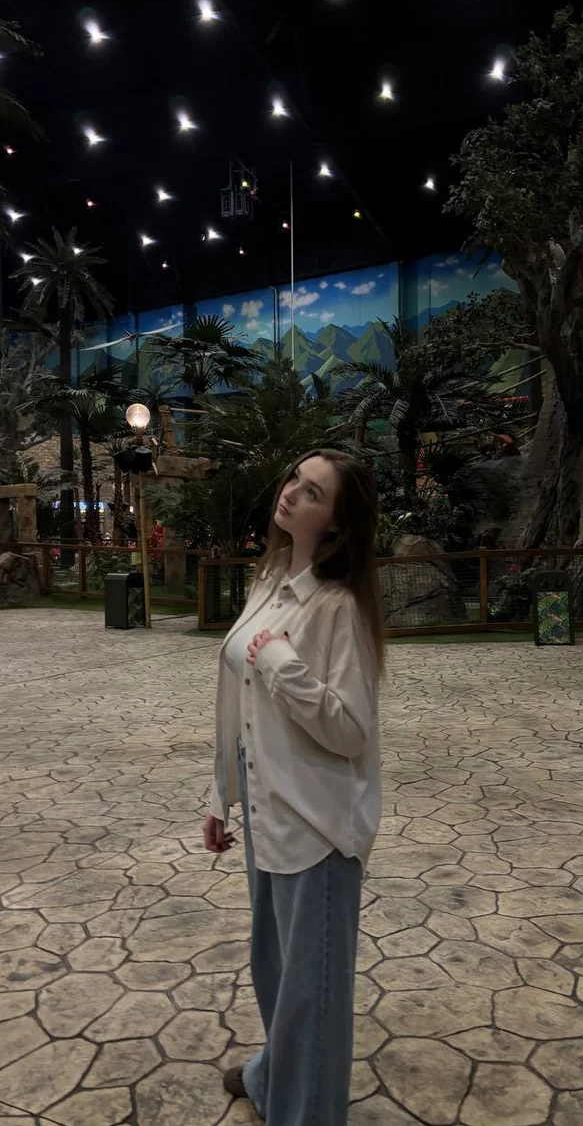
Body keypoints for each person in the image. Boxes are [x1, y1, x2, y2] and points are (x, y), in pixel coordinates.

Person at [204, 448, 385, 1126]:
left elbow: (351, 729)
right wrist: (221, 793)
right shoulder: (271, 578)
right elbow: (236, 690)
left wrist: (282, 663)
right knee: (276, 971)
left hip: (318, 827)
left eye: (313, 492)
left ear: (336, 523)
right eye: (294, 480)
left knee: (314, 993)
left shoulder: (338, 608)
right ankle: (270, 1076)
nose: (291, 493)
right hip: (266, 809)